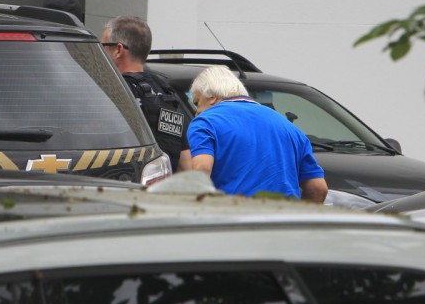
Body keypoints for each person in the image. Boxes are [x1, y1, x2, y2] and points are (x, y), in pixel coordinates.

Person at [187, 65, 328, 203]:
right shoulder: (290, 128)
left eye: (197, 102)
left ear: (212, 97)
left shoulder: (205, 122)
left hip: (232, 220)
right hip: (283, 221)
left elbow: (202, 169)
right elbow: (318, 188)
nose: (196, 112)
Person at [101, 15, 193, 171]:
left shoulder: (114, 91)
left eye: (102, 46)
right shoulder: (166, 93)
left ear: (118, 50)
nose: (99, 53)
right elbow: (186, 164)